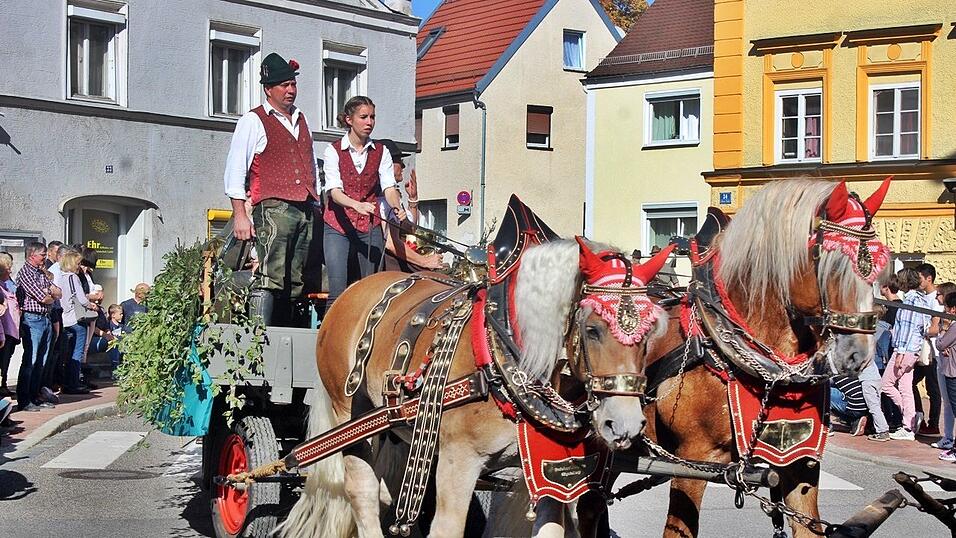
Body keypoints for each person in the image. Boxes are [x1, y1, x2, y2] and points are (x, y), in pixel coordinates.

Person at [223, 52, 319, 325]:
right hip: (273, 206)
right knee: (270, 273)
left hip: (304, 207)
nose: (291, 90)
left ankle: (287, 333)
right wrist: (240, 214)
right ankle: (259, 337)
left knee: (296, 277)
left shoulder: (302, 119)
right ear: (268, 89)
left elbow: (310, 162)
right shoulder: (253, 120)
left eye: (293, 84)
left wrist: (316, 199)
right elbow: (235, 169)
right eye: (284, 85)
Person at [321, 96, 405, 304]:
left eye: (372, 117)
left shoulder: (381, 151)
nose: (369, 122)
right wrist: (356, 204)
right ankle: (330, 335)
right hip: (337, 226)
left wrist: (397, 207)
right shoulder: (333, 151)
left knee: (369, 290)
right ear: (349, 120)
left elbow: (388, 187)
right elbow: (334, 191)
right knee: (337, 290)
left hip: (369, 225)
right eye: (364, 117)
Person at [882, 268, 930, 440]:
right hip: (911, 350)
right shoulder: (919, 299)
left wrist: (900, 353)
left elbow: (909, 329)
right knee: (905, 388)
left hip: (904, 350)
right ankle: (909, 425)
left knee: (886, 384)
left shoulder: (911, 300)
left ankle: (909, 419)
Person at [15, 242, 61, 412]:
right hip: (32, 319)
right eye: (42, 254)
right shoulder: (26, 272)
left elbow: (58, 292)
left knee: (42, 361)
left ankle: (35, 396)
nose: (45, 257)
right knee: (31, 360)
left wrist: (51, 294)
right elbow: (44, 297)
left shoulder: (41, 272)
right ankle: (24, 399)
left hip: (45, 318)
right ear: (32, 255)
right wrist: (50, 295)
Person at [56, 250, 100, 394]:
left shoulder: (60, 277)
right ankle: (73, 384)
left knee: (67, 353)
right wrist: (92, 304)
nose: (80, 266)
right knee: (77, 352)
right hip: (76, 318)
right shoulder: (73, 278)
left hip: (64, 319)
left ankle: (67, 382)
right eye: (78, 263)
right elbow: (81, 299)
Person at [912, 263, 943, 437]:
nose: (917, 281)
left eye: (920, 278)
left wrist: (921, 331)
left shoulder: (936, 300)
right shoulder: (922, 297)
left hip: (934, 352)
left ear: (928, 278)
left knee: (933, 390)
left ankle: (934, 424)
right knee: (910, 382)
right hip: (923, 350)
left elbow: (937, 327)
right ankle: (919, 418)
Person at [935, 292, 956, 461]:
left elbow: (941, 343)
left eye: (946, 307)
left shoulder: (954, 326)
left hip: (953, 373)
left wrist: (943, 330)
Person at [89, 304, 127, 381]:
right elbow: (94, 327)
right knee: (114, 344)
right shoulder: (91, 309)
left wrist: (108, 332)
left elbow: (106, 328)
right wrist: (107, 336)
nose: (122, 315)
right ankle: (115, 371)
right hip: (93, 339)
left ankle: (119, 370)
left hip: (107, 340)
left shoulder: (101, 310)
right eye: (120, 314)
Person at [0, 252, 20, 397]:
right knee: (3, 359)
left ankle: (3, 384)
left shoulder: (9, 285)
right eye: (8, 268)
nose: (11, 271)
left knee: (7, 358)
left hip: (10, 330)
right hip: (4, 330)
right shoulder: (1, 287)